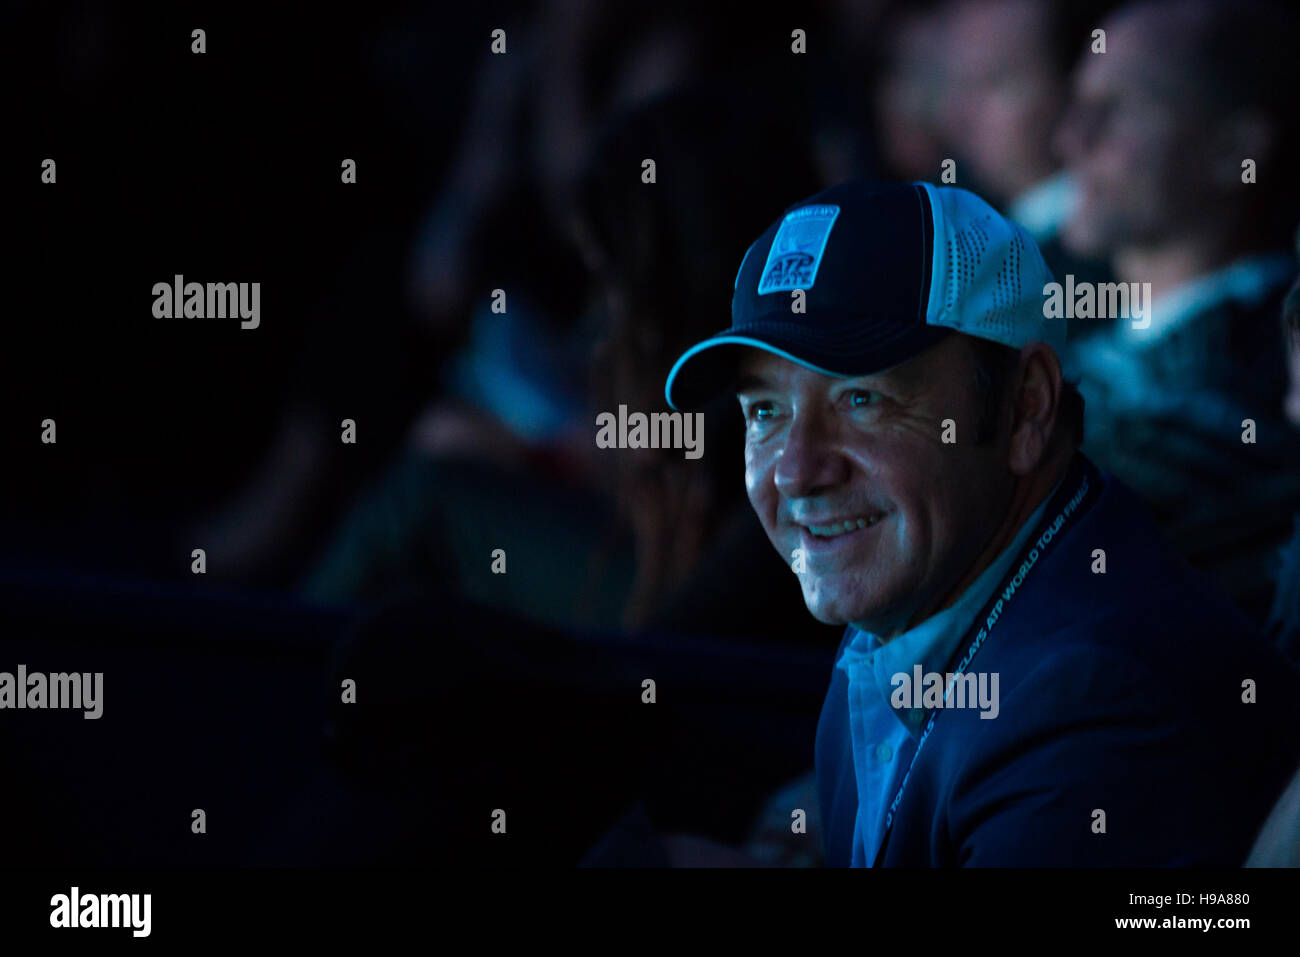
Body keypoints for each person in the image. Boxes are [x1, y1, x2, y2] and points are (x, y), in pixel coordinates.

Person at [664, 180, 1300, 866]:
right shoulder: (929, 587)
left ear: (1027, 407)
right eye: (765, 412)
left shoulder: (1090, 703)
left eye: (861, 398)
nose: (795, 471)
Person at [1053, 0, 1300, 624]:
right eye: (1079, 106)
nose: (1072, 140)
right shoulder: (1068, 316)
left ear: (1233, 150)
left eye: (1118, 110)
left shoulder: (1264, 382)